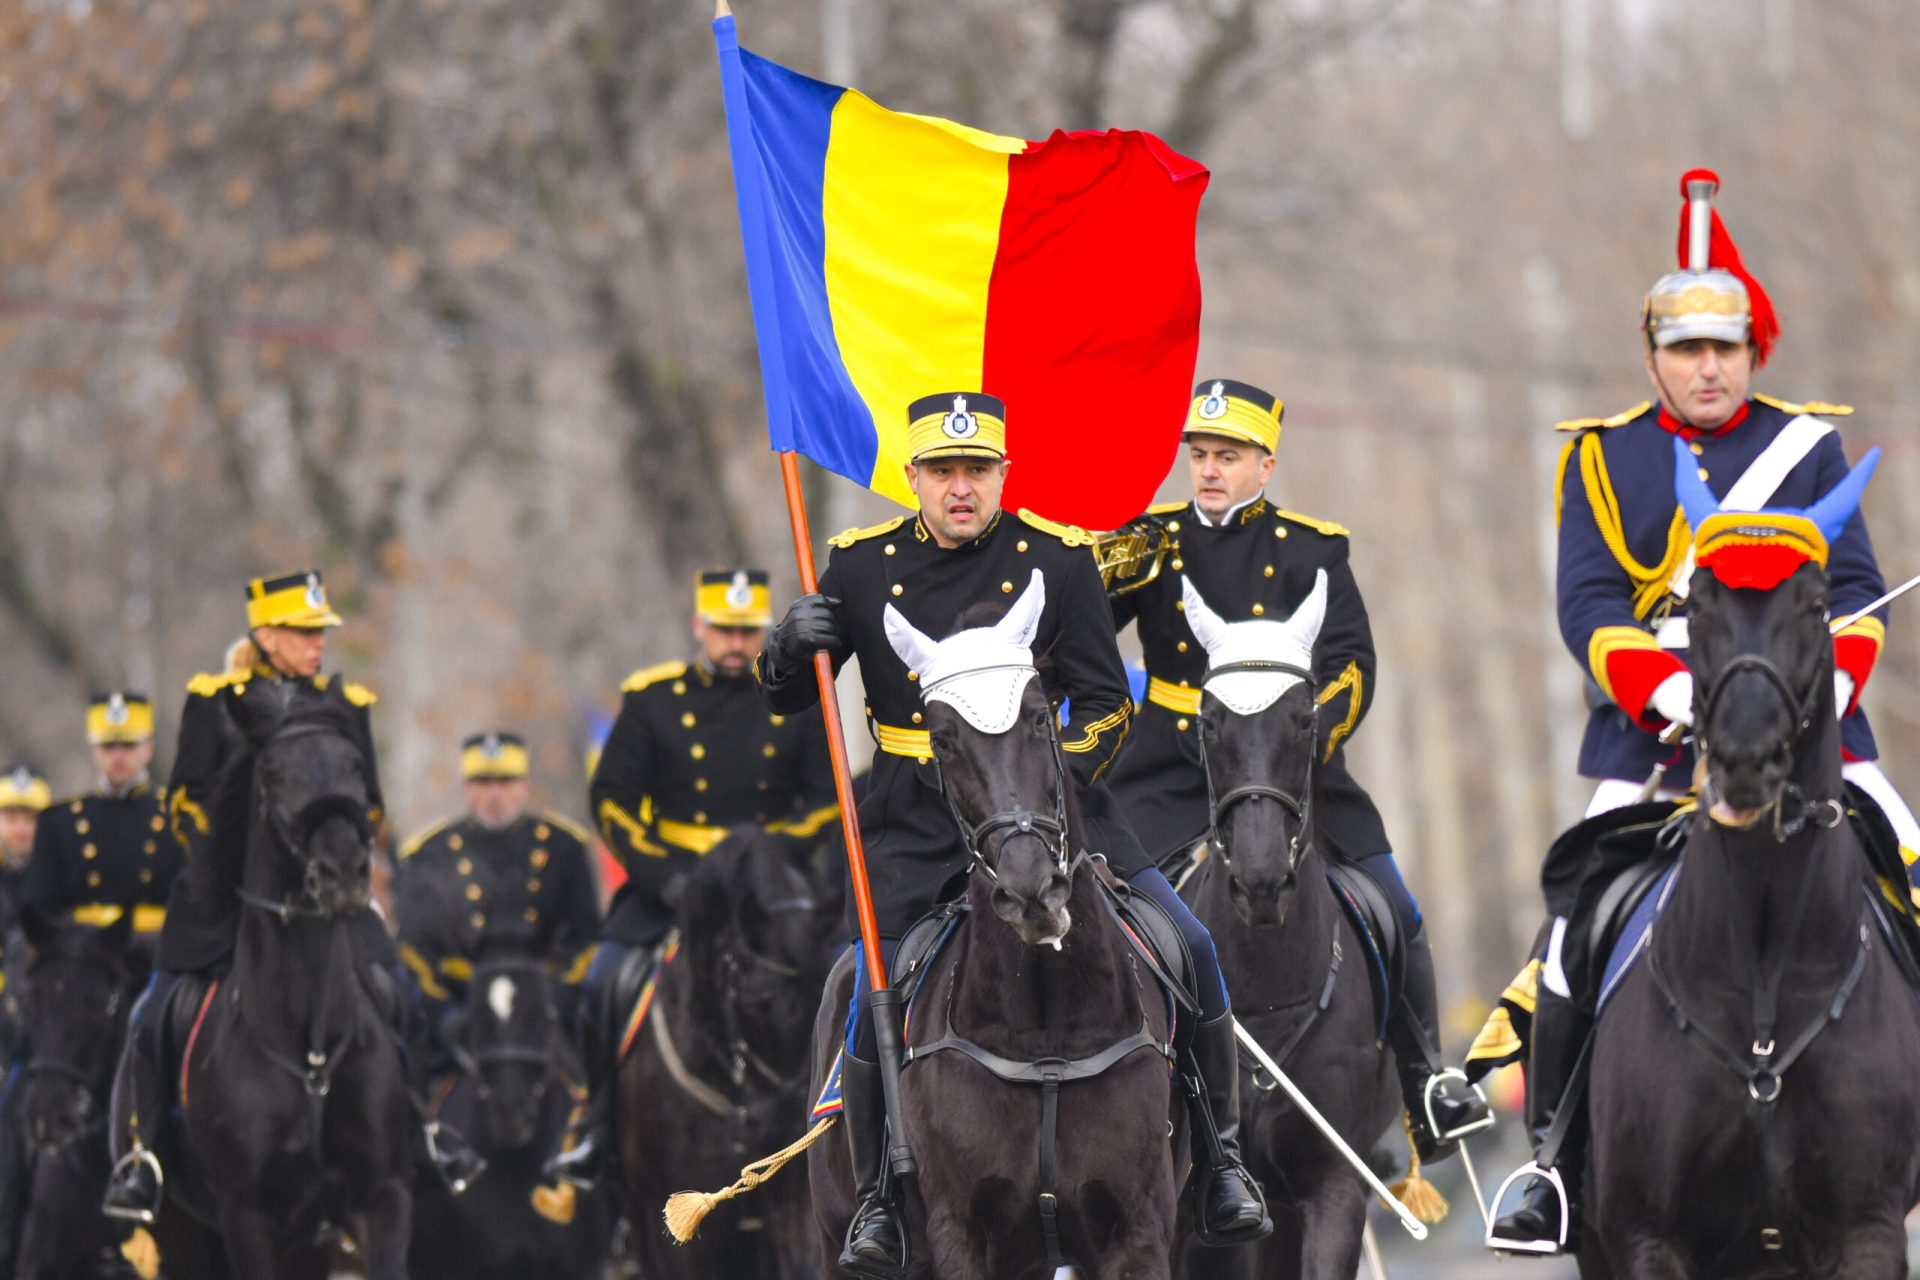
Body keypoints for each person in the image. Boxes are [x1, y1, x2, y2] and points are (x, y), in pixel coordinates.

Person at [756, 392, 1270, 1279]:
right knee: (866, 983)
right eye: (943, 471)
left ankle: (1221, 1159)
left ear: (1003, 475)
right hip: (917, 819)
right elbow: (792, 695)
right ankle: (878, 1194)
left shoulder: (1057, 560)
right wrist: (784, 647)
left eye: (978, 470)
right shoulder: (862, 565)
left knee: (1188, 944)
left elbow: (1106, 702)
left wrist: (1044, 784)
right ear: (913, 476)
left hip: (1047, 805)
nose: (961, 488)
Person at [1489, 170, 1901, 1254]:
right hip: (1657, 738)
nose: (1708, 367)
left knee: (1916, 866)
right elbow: (1588, 601)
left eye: (1726, 347)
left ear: (1753, 352)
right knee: (1571, 931)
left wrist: (1820, 696)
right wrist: (1674, 693)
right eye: (1687, 350)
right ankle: (1552, 1165)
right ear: (1653, 357)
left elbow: (1858, 597)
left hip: (1807, 725)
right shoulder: (1602, 454)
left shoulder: (1807, 448)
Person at [1104, 378, 1490, 1160]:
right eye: (1200, 455)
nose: (1210, 470)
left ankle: (1425, 1083)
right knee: (1106, 909)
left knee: (1396, 907)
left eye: (1229, 456)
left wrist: (1306, 742)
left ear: (1265, 464)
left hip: (1288, 768)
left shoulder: (1312, 549)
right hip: (1172, 767)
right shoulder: (1153, 543)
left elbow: (1351, 664)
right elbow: (1083, 636)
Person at [102, 569, 481, 1223]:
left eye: (320, 631)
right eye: (303, 632)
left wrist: (338, 858)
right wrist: (236, 862)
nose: (317, 644)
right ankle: (147, 1158)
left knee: (399, 994)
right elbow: (186, 800)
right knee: (155, 1011)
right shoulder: (215, 700)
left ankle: (423, 1128)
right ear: (267, 636)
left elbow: (371, 804)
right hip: (232, 896)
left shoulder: (347, 704)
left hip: (330, 894)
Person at [546, 568, 839, 1186]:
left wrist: (765, 858)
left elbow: (826, 799)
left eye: (747, 631)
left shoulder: (799, 698)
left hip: (769, 888)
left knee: (839, 973)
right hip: (672, 884)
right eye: (724, 629)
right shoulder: (653, 700)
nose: (736, 643)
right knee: (603, 982)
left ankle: (842, 1118)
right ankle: (597, 1125)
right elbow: (613, 800)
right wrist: (665, 877)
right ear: (698, 627)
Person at [395, 732, 601, 1046]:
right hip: (460, 1007)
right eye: (483, 783)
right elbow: (414, 949)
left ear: (525, 787)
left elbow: (586, 937)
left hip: (547, 1006)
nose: (494, 795)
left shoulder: (563, 847)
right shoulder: (430, 853)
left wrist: (557, 1001)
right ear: (466, 789)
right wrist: (443, 1014)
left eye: (505, 782)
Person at [23, 692, 179, 941]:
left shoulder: (176, 816)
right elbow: (42, 905)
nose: (118, 756)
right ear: (94, 750)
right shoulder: (60, 822)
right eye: (108, 746)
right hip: (84, 950)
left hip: (158, 947)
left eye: (129, 745)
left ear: (148, 748)